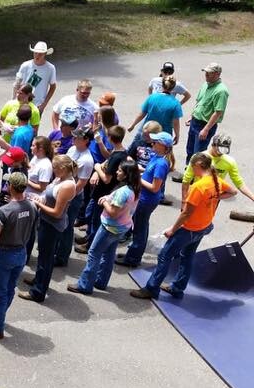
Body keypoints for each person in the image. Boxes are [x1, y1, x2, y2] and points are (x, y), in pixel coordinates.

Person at [131, 152, 237, 299]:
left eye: (192, 167)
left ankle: (151, 288)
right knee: (187, 256)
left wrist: (172, 229)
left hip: (189, 229)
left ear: (199, 166)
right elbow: (233, 191)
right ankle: (177, 287)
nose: (191, 171)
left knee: (164, 256)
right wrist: (217, 196)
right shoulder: (216, 181)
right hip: (203, 226)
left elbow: (186, 214)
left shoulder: (198, 187)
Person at [0, 172, 38, 339]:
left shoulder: (4, 211)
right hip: (21, 253)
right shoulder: (32, 207)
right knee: (10, 288)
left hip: (5, 255)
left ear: (11, 186)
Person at [68, 160, 140, 295]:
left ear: (126, 175)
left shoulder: (123, 192)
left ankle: (84, 285)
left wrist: (105, 201)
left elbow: (113, 213)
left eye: (120, 171)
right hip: (122, 227)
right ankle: (101, 281)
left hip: (110, 228)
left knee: (94, 254)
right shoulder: (134, 189)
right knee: (109, 254)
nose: (117, 172)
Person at [19, 155, 77, 302]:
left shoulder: (68, 186)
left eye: (55, 168)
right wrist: (41, 200)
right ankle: (39, 280)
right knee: (43, 256)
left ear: (63, 169)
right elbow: (49, 196)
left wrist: (39, 205)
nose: (53, 171)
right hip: (45, 221)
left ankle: (38, 292)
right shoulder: (60, 179)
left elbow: (57, 213)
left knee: (46, 258)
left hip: (52, 225)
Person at [116, 132, 174, 267]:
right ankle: (133, 254)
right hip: (143, 198)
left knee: (140, 229)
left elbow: (155, 187)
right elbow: (147, 172)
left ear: (163, 146)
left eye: (155, 142)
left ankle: (133, 259)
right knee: (140, 226)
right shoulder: (156, 156)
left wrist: (138, 179)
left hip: (147, 200)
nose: (151, 143)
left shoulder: (161, 164)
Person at [76, 125, 129, 253]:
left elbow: (106, 179)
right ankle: (88, 237)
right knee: (89, 214)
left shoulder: (117, 156)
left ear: (110, 138)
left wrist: (97, 168)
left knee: (95, 220)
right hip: (99, 192)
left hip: (104, 193)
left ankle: (90, 244)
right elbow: (107, 160)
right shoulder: (120, 151)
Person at [55, 128, 95, 267]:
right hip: (61, 190)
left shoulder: (87, 160)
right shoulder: (72, 149)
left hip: (72, 197)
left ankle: (62, 257)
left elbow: (81, 183)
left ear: (86, 141)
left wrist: (66, 197)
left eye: (77, 138)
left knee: (66, 227)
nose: (74, 139)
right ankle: (56, 249)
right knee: (58, 223)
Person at [179, 135, 254, 204]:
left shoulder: (230, 162)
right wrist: (184, 200)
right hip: (196, 193)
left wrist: (252, 198)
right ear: (213, 145)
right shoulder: (199, 157)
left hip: (212, 198)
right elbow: (186, 179)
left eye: (224, 150)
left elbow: (239, 183)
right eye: (219, 149)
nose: (220, 153)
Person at [185, 62, 228, 166]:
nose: (206, 74)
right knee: (190, 150)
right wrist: (192, 116)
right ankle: (188, 174)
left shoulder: (221, 91)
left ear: (217, 74)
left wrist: (206, 129)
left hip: (205, 125)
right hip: (195, 121)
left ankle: (196, 178)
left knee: (198, 154)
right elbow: (199, 102)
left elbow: (218, 112)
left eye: (209, 73)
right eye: (206, 72)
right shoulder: (205, 85)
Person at [128, 75, 182, 145]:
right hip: (163, 137)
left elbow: (142, 114)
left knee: (140, 152)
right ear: (173, 87)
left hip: (148, 134)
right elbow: (176, 123)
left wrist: (132, 125)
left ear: (162, 85)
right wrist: (177, 135)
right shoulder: (176, 103)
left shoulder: (152, 97)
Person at [13, 41, 58, 114]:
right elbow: (17, 83)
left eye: (40, 54)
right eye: (35, 53)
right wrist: (14, 99)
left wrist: (44, 104)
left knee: (34, 125)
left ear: (45, 54)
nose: (37, 55)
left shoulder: (50, 68)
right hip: (22, 103)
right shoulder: (25, 65)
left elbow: (53, 86)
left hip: (38, 105)